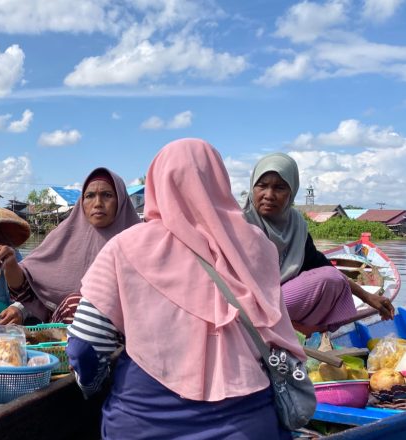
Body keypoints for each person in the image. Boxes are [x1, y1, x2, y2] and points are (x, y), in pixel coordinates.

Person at [67, 138, 302, 439]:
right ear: (219, 181)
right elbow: (277, 336)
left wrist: (92, 386)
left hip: (143, 422)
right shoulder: (258, 246)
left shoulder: (126, 246)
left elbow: (84, 346)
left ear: (157, 182)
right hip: (247, 425)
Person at [243, 153, 394, 334]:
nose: (269, 195)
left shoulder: (296, 225)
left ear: (292, 192)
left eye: (280, 188)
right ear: (253, 187)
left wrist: (368, 297)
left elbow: (322, 265)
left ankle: (292, 328)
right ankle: (292, 328)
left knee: (332, 279)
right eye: (262, 186)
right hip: (239, 304)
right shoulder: (238, 218)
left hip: (277, 302)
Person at [0, 167, 140, 323]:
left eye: (107, 195)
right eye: (90, 196)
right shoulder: (62, 236)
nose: (98, 203)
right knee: (74, 304)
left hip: (123, 332)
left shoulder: (139, 241)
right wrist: (11, 264)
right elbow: (27, 291)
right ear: (81, 202)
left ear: (121, 200)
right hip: (62, 338)